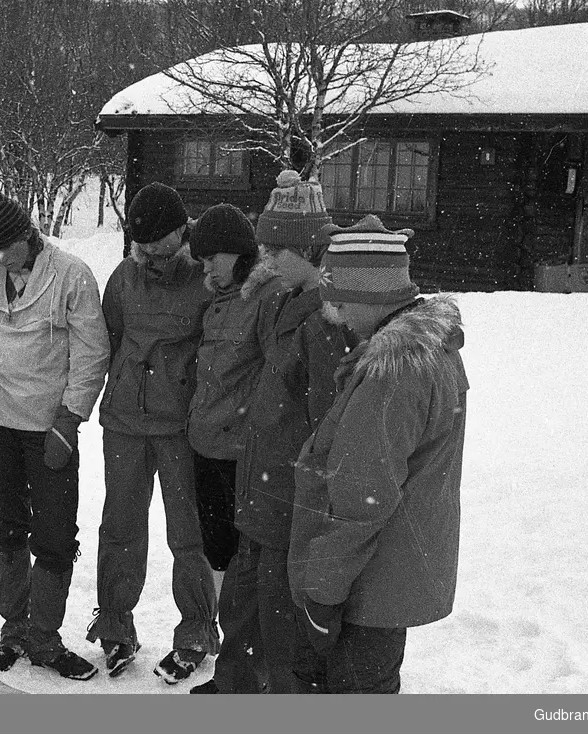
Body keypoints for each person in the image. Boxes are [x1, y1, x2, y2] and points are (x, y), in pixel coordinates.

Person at [288, 214, 468, 694]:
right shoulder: (429, 349)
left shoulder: (394, 373)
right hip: (388, 570)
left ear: (374, 297)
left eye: (342, 301)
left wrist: (323, 592)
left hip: (367, 584)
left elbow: (363, 496)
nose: (338, 316)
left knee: (355, 690)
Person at [191, 172, 353, 694]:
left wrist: (309, 494)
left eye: (278, 246)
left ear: (306, 248)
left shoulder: (322, 322)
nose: (267, 255)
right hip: (256, 482)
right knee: (242, 597)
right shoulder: (280, 298)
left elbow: (328, 424)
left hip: (286, 491)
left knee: (281, 612)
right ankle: (235, 683)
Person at [0, 191, 110, 681]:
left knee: (53, 534)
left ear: (28, 236)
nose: (1, 259)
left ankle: (44, 637)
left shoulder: (72, 275)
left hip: (50, 427)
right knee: (6, 526)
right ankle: (14, 630)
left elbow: (92, 354)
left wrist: (69, 421)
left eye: (8, 248)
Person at [86, 182, 218, 679]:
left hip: (180, 427)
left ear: (182, 232)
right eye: (142, 246)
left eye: (160, 244)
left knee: (189, 533)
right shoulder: (124, 276)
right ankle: (116, 626)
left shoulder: (205, 279)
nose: (150, 254)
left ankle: (198, 630)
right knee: (119, 527)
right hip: (124, 422)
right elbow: (111, 336)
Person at [175, 202, 290, 684]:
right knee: (219, 555)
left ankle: (250, 667)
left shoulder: (264, 299)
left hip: (243, 457)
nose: (205, 269)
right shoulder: (218, 301)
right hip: (206, 447)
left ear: (239, 253)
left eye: (212, 259)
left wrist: (256, 434)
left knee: (248, 566)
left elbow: (279, 375)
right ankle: (233, 659)